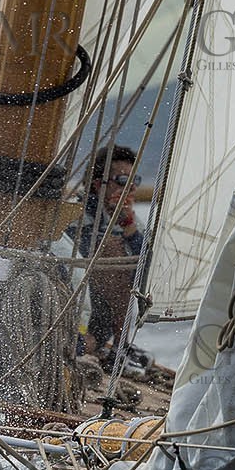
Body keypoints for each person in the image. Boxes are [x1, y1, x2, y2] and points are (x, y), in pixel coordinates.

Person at [69, 145, 155, 368]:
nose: (131, 188)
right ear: (98, 185)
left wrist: (129, 228)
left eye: (134, 181)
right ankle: (109, 346)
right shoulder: (73, 216)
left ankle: (120, 346)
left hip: (99, 326)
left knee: (120, 254)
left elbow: (144, 274)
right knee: (110, 251)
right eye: (122, 180)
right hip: (72, 322)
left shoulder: (129, 224)